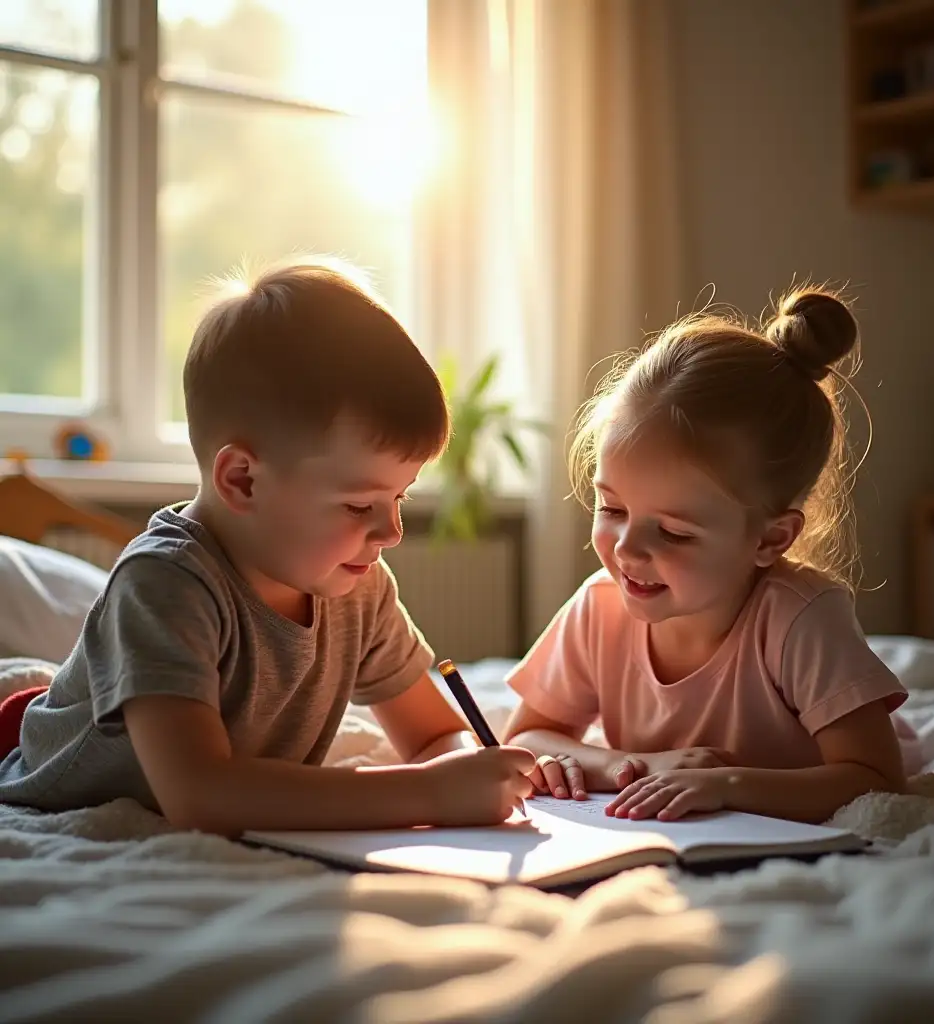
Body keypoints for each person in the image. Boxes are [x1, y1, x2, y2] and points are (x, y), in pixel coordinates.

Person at [0, 259, 534, 835]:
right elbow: (200, 795)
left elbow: (434, 736)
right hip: (53, 791)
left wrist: (469, 770)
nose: (392, 533)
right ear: (243, 481)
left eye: (399, 497)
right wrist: (428, 794)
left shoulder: (359, 585)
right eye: (360, 506)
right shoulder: (164, 585)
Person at [504, 287, 919, 824]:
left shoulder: (801, 619)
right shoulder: (598, 609)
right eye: (612, 508)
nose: (627, 548)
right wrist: (629, 766)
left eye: (673, 532)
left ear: (770, 540)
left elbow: (877, 777)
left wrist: (725, 786)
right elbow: (527, 736)